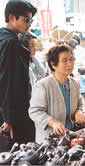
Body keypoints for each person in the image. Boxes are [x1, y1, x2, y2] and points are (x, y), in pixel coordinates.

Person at [29, 44, 85, 144]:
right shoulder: (43, 85)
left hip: (71, 136)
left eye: (71, 59)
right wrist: (52, 122)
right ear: (53, 64)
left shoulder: (75, 83)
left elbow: (80, 104)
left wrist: (79, 112)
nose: (70, 63)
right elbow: (35, 111)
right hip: (50, 141)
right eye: (65, 60)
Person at [0, 0, 37, 144]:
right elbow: (7, 81)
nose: (29, 24)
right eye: (25, 20)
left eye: (31, 21)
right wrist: (9, 118)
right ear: (11, 17)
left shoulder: (5, 39)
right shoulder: (11, 43)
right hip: (15, 115)